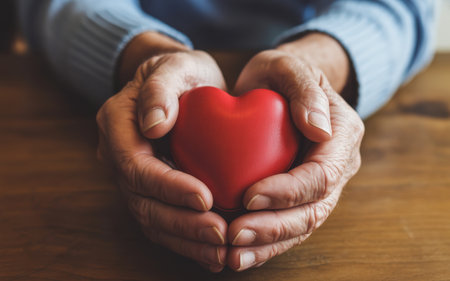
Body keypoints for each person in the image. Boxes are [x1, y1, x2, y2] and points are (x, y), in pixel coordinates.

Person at [18, 0, 435, 273]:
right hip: (131, 74)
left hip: (303, 74)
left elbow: (403, 8)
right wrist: (145, 62)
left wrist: (316, 66)